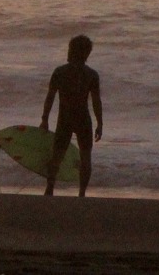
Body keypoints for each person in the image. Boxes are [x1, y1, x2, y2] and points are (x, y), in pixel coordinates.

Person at [40, 34, 103, 197]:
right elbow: (96, 102)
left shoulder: (60, 72)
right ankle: (82, 193)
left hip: (65, 119)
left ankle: (50, 188)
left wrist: (44, 119)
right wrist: (100, 123)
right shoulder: (92, 75)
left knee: (57, 156)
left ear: (72, 51)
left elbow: (50, 97)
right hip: (83, 119)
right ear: (87, 54)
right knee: (85, 157)